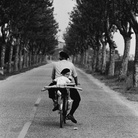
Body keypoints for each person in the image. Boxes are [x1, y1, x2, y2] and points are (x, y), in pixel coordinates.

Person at [48, 51, 81, 123]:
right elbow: (75, 76)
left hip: (58, 83)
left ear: (61, 57)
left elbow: (53, 76)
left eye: (59, 56)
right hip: (68, 84)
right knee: (77, 99)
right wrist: (75, 84)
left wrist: (54, 81)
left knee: (50, 89)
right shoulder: (71, 64)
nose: (58, 57)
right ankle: (71, 114)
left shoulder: (55, 64)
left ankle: (55, 102)